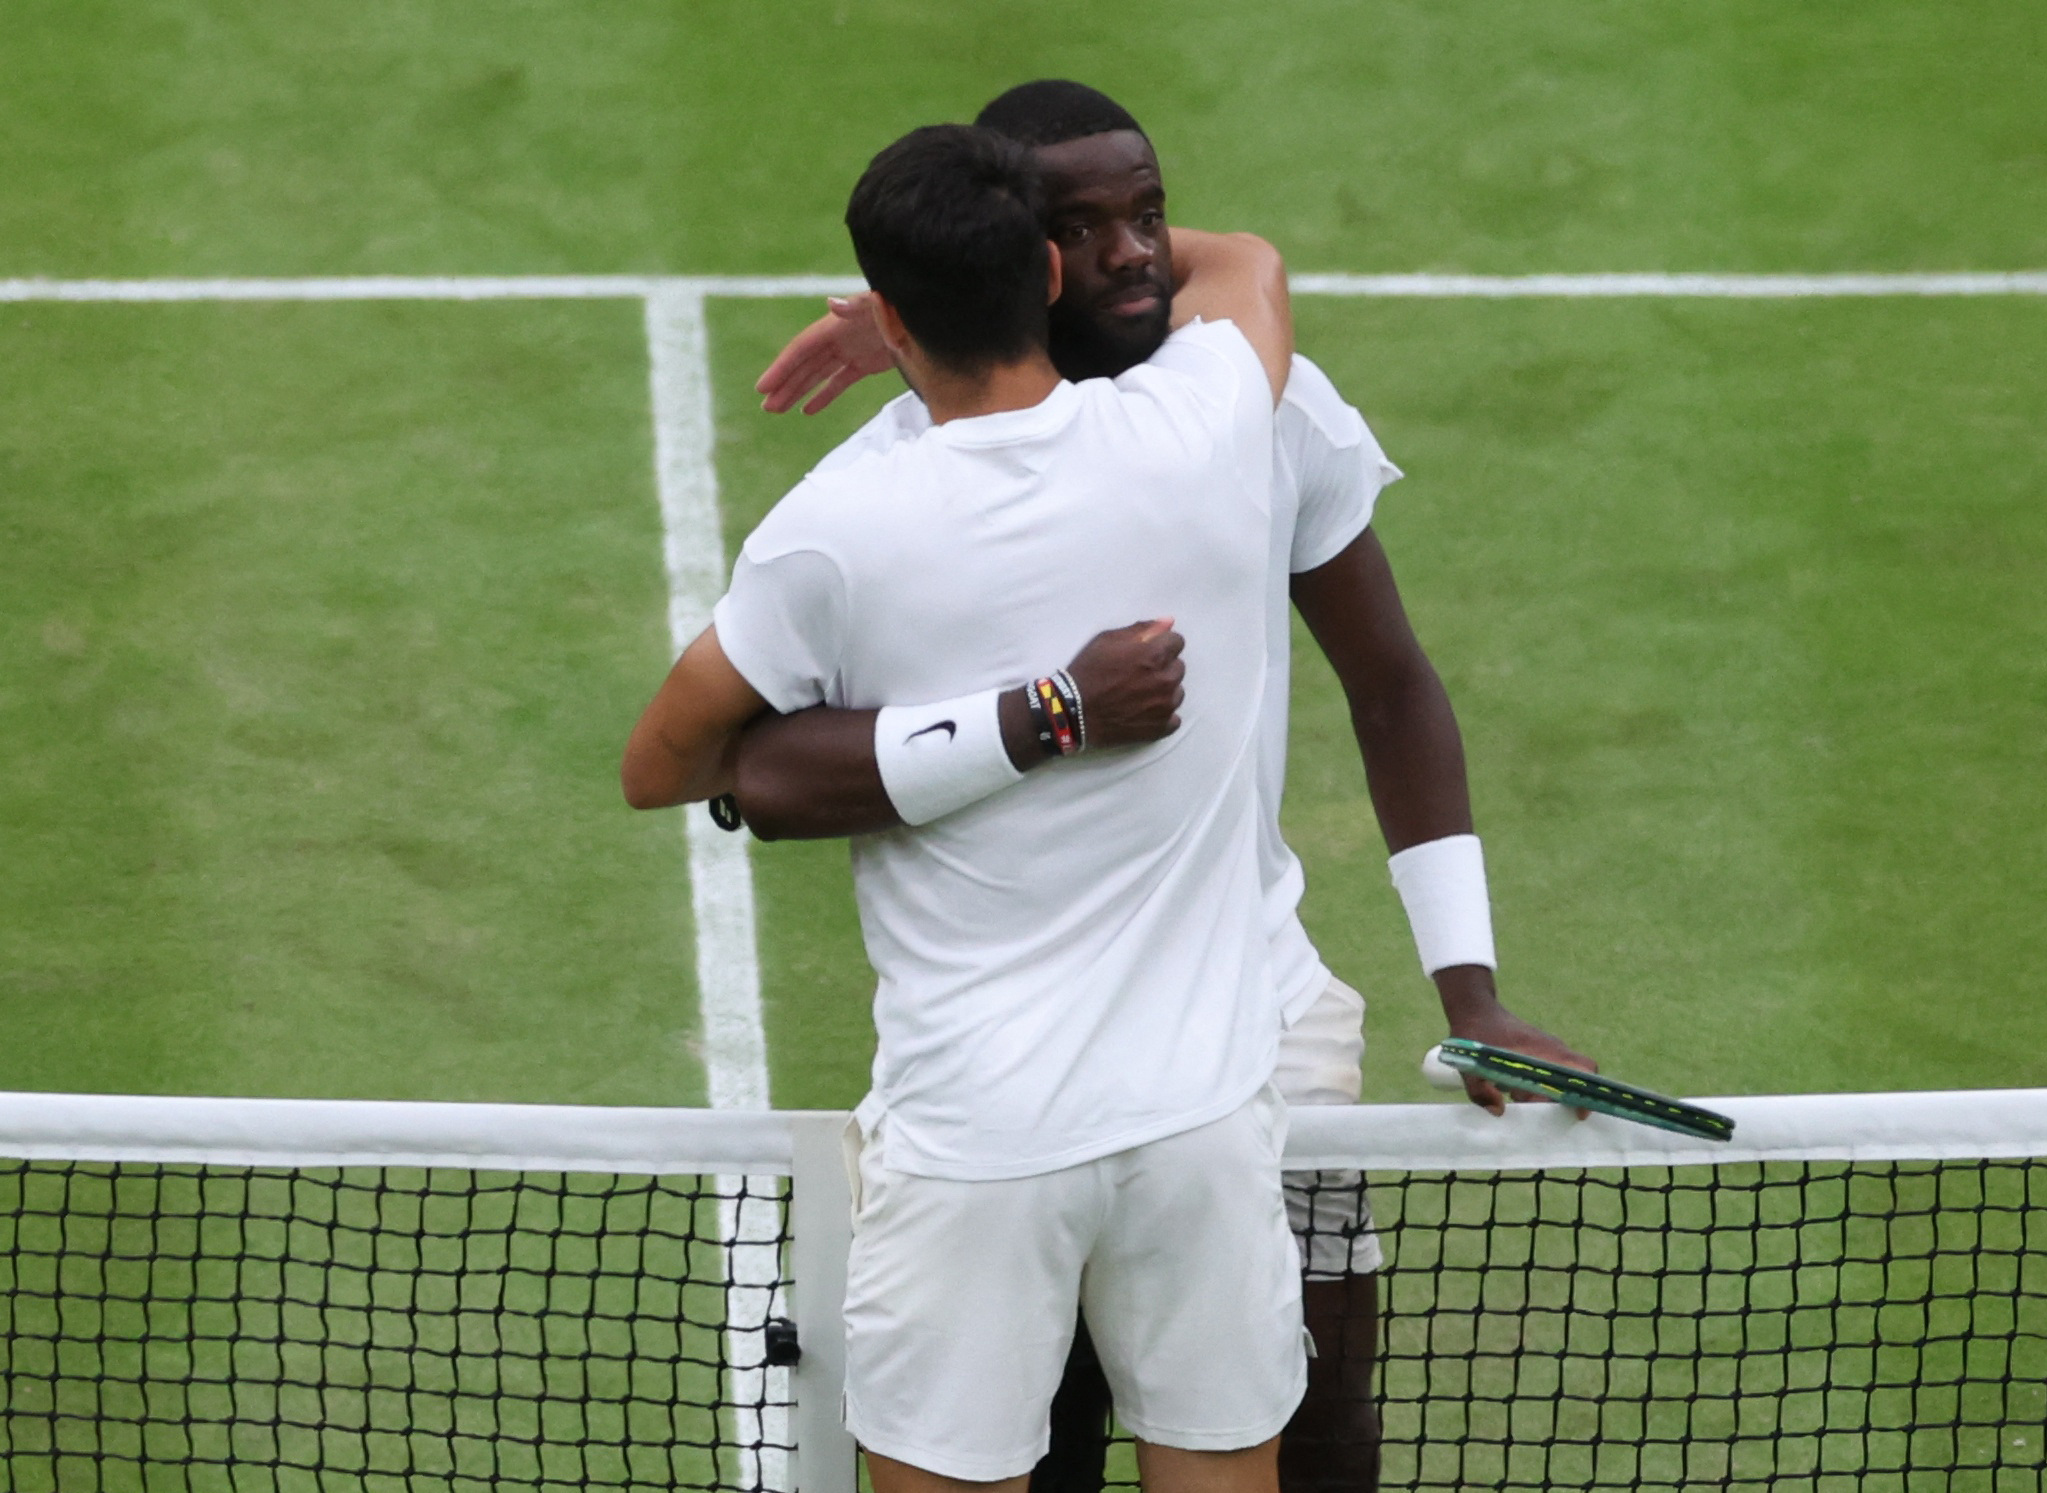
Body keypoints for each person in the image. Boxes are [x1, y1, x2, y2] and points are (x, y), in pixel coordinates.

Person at [743, 81, 1596, 1493]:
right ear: (1021, 255)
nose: (1139, 251)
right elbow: (752, 763)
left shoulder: (1262, 405)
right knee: (1051, 1436)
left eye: (1149, 213)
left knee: (1316, 1417)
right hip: (1016, 1066)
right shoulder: (896, 478)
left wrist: (1470, 987)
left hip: (1257, 1020)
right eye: (1082, 227)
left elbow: (1388, 682)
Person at [625, 122, 1308, 1492]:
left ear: (888, 313)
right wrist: (1051, 711)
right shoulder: (1206, 424)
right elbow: (1244, 259)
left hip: (976, 1148)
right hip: (1202, 1130)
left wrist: (1027, 719)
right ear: (1052, 270)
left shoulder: (836, 529)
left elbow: (667, 764)